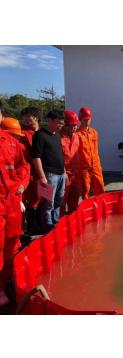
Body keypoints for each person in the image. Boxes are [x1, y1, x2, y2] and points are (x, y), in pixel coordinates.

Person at [0, 103, 30, 306]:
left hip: (11, 203)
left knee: (13, 242)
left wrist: (21, 184)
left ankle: (9, 279)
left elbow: (24, 165)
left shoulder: (11, 142)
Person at [32, 110, 66, 234]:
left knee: (58, 200)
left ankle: (55, 223)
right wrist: (42, 176)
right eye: (58, 123)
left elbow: (60, 155)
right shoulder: (40, 135)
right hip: (49, 174)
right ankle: (47, 228)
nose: (60, 126)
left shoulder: (57, 135)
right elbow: (36, 156)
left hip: (61, 174)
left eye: (62, 123)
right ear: (50, 120)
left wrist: (64, 172)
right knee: (48, 203)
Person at [20, 107, 41, 234]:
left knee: (43, 199)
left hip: (44, 172)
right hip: (29, 173)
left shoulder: (44, 132)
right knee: (30, 200)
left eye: (29, 116)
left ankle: (39, 224)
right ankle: (30, 228)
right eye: (24, 117)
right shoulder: (22, 134)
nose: (26, 119)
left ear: (37, 117)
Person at [76, 107, 105, 199]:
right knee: (85, 191)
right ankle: (86, 210)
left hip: (96, 166)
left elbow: (96, 149)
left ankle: (101, 208)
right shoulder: (76, 134)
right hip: (84, 168)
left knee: (100, 188)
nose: (87, 122)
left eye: (88, 119)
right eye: (85, 120)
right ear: (80, 119)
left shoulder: (94, 132)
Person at [60, 110, 80, 215]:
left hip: (75, 175)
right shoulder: (57, 137)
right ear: (65, 125)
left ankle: (72, 221)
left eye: (76, 125)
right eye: (73, 125)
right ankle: (60, 223)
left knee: (74, 201)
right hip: (63, 175)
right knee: (61, 202)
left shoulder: (76, 137)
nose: (75, 127)